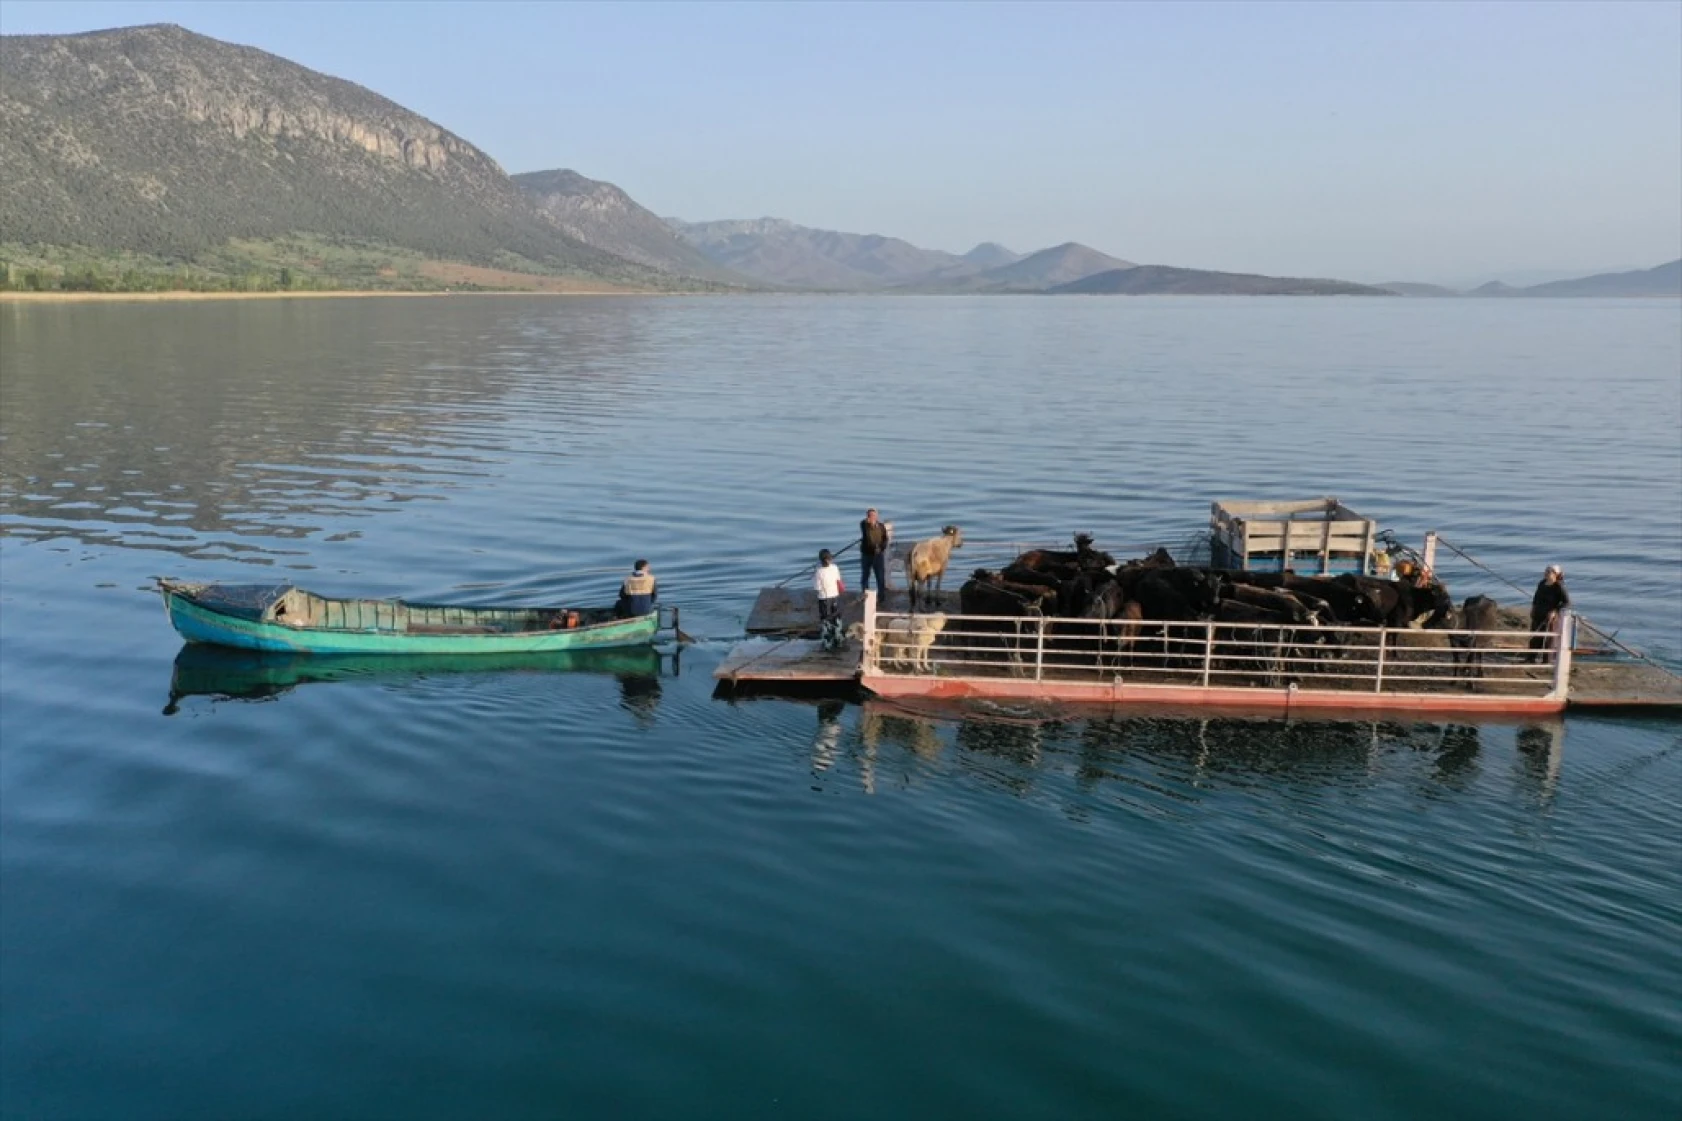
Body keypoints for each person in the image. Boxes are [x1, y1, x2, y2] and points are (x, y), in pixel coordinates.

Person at [1528, 564, 1569, 662]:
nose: (1546, 573)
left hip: (1549, 616)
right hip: (1538, 614)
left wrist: (1555, 611)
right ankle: (1531, 658)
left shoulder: (1558, 586)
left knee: (1548, 639)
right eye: (1546, 571)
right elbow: (1536, 597)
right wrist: (1533, 608)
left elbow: (1567, 602)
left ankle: (1546, 661)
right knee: (1535, 637)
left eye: (1549, 572)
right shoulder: (1542, 583)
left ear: (1556, 574)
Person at [814, 548, 846, 651]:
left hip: (824, 599)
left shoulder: (819, 572)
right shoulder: (835, 568)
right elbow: (838, 579)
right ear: (830, 558)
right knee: (836, 617)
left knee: (825, 619)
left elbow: (817, 587)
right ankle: (839, 639)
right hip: (835, 596)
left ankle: (828, 642)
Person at [859, 508, 893, 596]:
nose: (872, 517)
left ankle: (881, 595)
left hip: (878, 555)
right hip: (867, 554)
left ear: (877, 516)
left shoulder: (881, 526)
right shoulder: (864, 525)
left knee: (880, 576)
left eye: (874, 515)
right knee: (865, 575)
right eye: (870, 516)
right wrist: (869, 523)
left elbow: (885, 539)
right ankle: (865, 593)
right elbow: (866, 530)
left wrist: (881, 548)